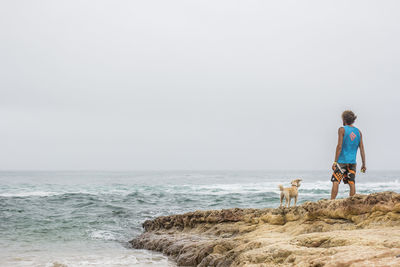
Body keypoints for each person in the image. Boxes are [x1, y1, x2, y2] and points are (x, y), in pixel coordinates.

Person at [331, 110, 366, 200]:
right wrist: (363, 164)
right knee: (351, 182)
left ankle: (331, 201)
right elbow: (361, 148)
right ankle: (352, 202)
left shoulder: (342, 129)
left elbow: (339, 146)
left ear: (344, 119)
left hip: (342, 161)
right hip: (352, 162)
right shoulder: (358, 132)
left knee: (336, 181)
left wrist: (335, 162)